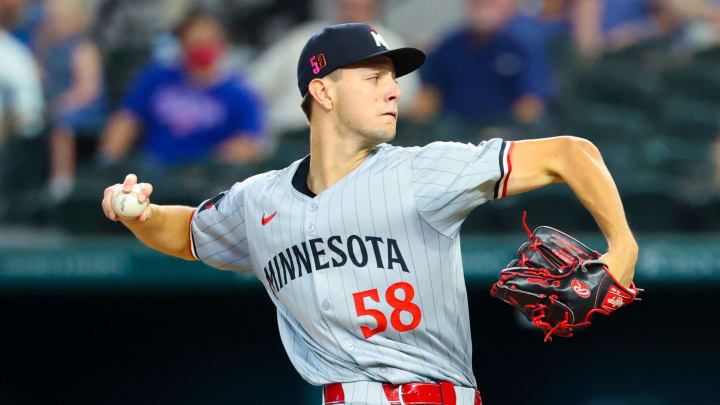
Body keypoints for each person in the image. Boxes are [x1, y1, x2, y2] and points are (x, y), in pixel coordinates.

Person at [101, 23, 638, 405]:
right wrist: (138, 215)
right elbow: (190, 232)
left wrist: (623, 248)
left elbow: (572, 153)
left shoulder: (424, 171)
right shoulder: (258, 199)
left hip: (438, 395)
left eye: (393, 78)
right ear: (322, 91)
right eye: (373, 77)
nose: (394, 90)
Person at [98, 10, 265, 174]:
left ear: (221, 46)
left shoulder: (239, 92)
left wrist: (212, 161)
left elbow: (249, 143)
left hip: (204, 176)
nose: (200, 49)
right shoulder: (158, 77)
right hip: (154, 168)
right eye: (193, 43)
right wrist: (108, 159)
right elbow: (126, 119)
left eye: (206, 43)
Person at [248, 0, 419, 142]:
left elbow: (408, 102)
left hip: (348, 140)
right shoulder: (304, 36)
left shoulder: (389, 43)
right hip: (287, 136)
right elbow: (252, 87)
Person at [411, 0, 553, 129]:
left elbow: (532, 104)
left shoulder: (526, 41)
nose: (484, 3)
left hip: (506, 133)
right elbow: (429, 94)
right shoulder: (450, 44)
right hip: (456, 130)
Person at [35, 0, 107, 202]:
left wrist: (58, 105)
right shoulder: (47, 46)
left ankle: (61, 182)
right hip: (52, 104)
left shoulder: (83, 49)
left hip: (83, 109)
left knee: (62, 124)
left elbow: (87, 90)